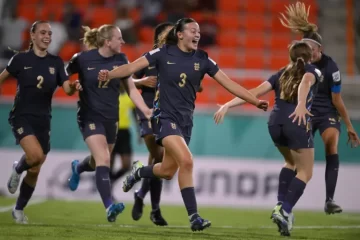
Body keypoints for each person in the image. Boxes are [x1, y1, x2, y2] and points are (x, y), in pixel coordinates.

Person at [98, 18, 269, 231]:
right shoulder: (162, 53)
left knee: (168, 171)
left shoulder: (203, 59)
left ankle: (139, 172)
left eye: (198, 31)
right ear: (179, 34)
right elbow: (132, 67)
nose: (197, 34)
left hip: (186, 121)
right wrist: (109, 74)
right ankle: (194, 217)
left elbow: (230, 84)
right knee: (187, 161)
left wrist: (255, 101)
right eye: (192, 30)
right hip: (164, 117)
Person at [215, 41, 321, 236]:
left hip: (275, 122)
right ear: (311, 56)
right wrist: (300, 104)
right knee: (305, 172)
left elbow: (253, 92)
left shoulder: (280, 73)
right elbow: (306, 81)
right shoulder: (313, 70)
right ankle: (285, 210)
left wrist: (228, 105)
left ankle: (280, 204)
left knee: (290, 162)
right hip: (296, 121)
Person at [279, 1, 360, 214]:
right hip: (304, 111)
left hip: (325, 113)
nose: (309, 53)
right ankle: (283, 204)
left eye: (312, 50)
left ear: (319, 50)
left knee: (331, 144)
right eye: (306, 49)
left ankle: (329, 200)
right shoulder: (300, 64)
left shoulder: (331, 67)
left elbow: (337, 99)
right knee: (295, 160)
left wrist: (350, 126)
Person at [65, 24, 152, 223]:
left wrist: (145, 110)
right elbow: (63, 77)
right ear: (107, 42)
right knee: (104, 159)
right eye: (119, 38)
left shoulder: (121, 60)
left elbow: (130, 88)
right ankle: (109, 206)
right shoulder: (82, 59)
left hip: (111, 119)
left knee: (97, 161)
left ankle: (78, 168)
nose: (123, 42)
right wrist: (71, 86)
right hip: (89, 116)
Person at [1, 20, 81, 224]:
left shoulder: (55, 62)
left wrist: (74, 87)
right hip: (21, 116)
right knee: (35, 155)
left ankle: (18, 209)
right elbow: (2, 78)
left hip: (44, 120)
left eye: (50, 33)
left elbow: (67, 88)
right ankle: (18, 169)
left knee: (35, 167)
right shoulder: (20, 59)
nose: (47, 36)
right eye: (43, 32)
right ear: (33, 36)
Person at [131, 22, 174, 226]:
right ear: (159, 37)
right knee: (158, 158)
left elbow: (196, 84)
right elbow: (126, 79)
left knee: (157, 162)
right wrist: (141, 82)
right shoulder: (148, 57)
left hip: (167, 112)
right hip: (146, 109)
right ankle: (153, 207)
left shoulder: (178, 59)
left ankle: (143, 198)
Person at [109, 81, 138, 197]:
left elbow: (135, 115)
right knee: (109, 163)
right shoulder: (110, 96)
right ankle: (108, 193)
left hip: (124, 133)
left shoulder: (129, 97)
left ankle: (112, 181)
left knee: (127, 165)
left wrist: (139, 131)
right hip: (111, 131)